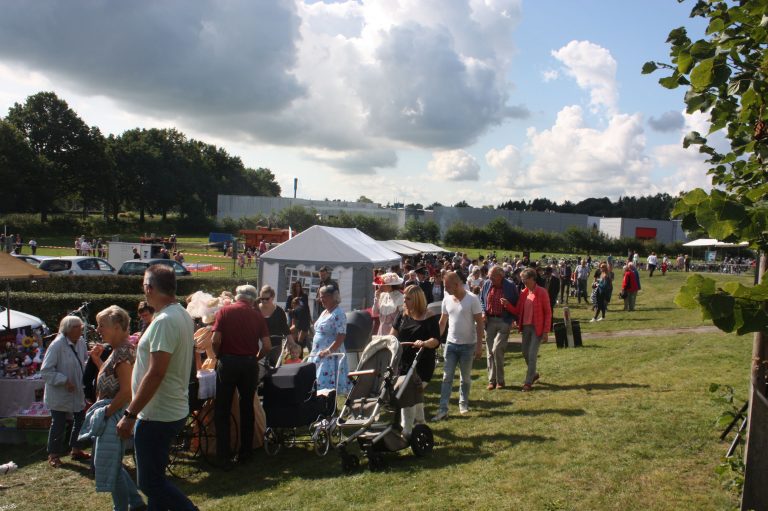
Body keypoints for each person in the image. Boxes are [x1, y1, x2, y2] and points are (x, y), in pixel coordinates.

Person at [116, 265, 197, 511]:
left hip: (157, 414)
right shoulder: (181, 314)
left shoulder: (164, 321)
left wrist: (130, 414)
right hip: (169, 408)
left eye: (144, 286)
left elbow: (156, 372)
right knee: (156, 482)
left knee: (150, 483)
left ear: (149, 288)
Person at [82, 306, 145, 511]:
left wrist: (106, 413)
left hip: (114, 415)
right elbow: (111, 379)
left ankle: (122, 508)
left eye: (102, 325)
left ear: (118, 327)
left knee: (111, 466)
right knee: (114, 464)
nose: (98, 329)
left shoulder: (122, 352)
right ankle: (135, 503)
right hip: (113, 414)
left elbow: (127, 391)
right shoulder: (118, 350)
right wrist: (98, 360)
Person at [211, 284, 271, 469]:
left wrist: (219, 356)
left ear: (237, 296)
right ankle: (246, 451)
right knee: (247, 407)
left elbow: (215, 340)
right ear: (253, 299)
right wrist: (255, 358)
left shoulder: (225, 312)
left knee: (223, 408)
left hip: (228, 362)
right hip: (248, 363)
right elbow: (267, 346)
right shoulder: (257, 315)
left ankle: (224, 453)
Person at [40, 315, 90, 468]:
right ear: (68, 329)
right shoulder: (56, 345)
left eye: (81, 326)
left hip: (77, 389)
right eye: (77, 327)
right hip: (60, 392)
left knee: (80, 419)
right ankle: (53, 455)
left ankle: (76, 449)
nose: (81, 329)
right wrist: (64, 380)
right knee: (59, 423)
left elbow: (83, 361)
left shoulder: (81, 342)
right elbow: (46, 371)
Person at [432, 271, 484, 421]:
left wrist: (479, 346)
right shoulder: (446, 300)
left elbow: (480, 324)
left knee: (465, 378)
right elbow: (442, 322)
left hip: (468, 345)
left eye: (446, 286)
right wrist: (435, 339)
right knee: (447, 377)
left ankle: (463, 403)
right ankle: (443, 409)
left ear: (456, 284)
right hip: (450, 344)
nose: (445, 289)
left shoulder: (472, 299)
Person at [390, 285, 440, 437]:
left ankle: (407, 429)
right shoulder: (402, 315)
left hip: (422, 364)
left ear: (417, 300)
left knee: (407, 390)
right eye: (404, 297)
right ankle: (421, 422)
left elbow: (436, 340)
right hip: (403, 363)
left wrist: (424, 343)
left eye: (408, 298)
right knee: (414, 393)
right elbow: (392, 336)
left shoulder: (429, 316)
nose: (404, 301)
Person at [501, 268, 551, 392]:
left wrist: (546, 331)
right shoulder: (523, 293)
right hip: (526, 327)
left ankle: (528, 382)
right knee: (524, 352)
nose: (523, 281)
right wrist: (507, 305)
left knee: (532, 354)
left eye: (525, 279)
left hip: (537, 327)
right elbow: (518, 311)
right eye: (522, 279)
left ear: (532, 278)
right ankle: (533, 374)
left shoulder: (542, 292)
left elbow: (548, 313)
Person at [479, 265, 519, 390]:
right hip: (489, 321)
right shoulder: (487, 284)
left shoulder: (510, 286)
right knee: (490, 352)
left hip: (504, 321)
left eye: (492, 277)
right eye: (489, 277)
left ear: (500, 276)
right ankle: (492, 381)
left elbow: (516, 303)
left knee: (497, 350)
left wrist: (511, 315)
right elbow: (481, 299)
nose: (490, 279)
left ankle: (500, 381)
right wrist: (483, 312)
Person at [308, 284, 351, 394]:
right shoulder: (325, 311)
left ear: (333, 296)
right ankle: (323, 408)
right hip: (318, 353)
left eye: (323, 296)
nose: (321, 299)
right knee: (316, 383)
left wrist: (329, 350)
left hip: (330, 355)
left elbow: (341, 335)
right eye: (320, 297)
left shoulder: (339, 313)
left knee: (327, 385)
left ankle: (331, 408)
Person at [258, 285, 294, 365]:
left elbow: (285, 328)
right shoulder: (256, 310)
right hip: (259, 346)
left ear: (273, 297)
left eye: (266, 299)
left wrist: (292, 343)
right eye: (261, 299)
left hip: (275, 347)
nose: (264, 301)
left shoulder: (279, 311)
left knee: (274, 371)